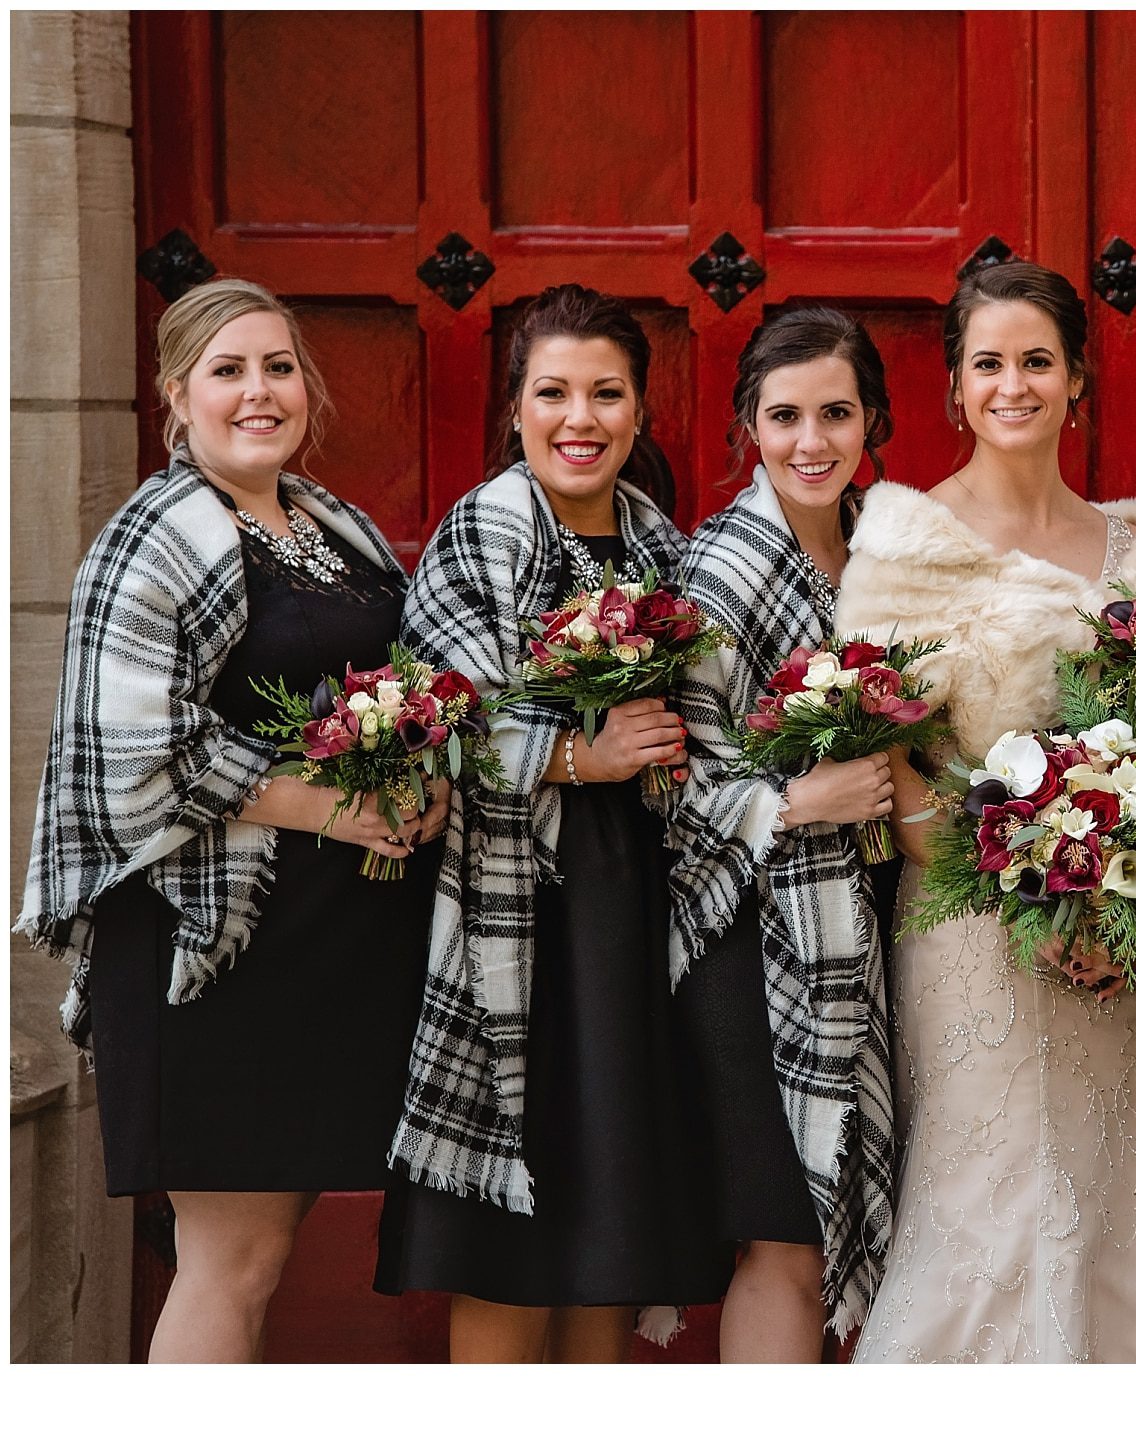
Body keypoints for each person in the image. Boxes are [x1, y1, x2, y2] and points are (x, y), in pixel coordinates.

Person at [16, 277, 446, 1362]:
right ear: (177, 393)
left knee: (267, 1247)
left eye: (279, 367)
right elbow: (129, 750)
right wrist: (333, 808)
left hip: (323, 948)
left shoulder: (330, 524)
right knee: (232, 1259)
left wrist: (423, 768)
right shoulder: (152, 538)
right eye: (228, 370)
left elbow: (392, 689)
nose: (260, 391)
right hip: (207, 950)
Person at [834, 260, 1136, 1362]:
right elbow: (887, 758)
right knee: (988, 1206)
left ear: (1076, 382)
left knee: (1124, 1202)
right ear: (955, 389)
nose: (1012, 385)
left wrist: (1110, 907)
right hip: (967, 933)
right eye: (988, 364)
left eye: (1036, 361)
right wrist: (1018, 899)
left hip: (1117, 931)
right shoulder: (901, 550)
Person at [374, 283, 732, 1363]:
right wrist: (582, 755)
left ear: (640, 411)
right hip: (519, 912)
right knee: (513, 1244)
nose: (581, 418)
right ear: (517, 408)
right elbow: (437, 725)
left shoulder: (661, 544)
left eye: (606, 394)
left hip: (634, 913)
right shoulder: (480, 533)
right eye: (553, 393)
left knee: (607, 1233)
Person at [666, 307, 898, 1359]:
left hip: (868, 918)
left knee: (853, 1222)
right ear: (748, 426)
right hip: (747, 937)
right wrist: (802, 801)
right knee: (784, 1234)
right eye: (785, 416)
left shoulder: (886, 552)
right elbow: (669, 785)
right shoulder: (720, 570)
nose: (812, 442)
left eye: (836, 414)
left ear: (871, 421)